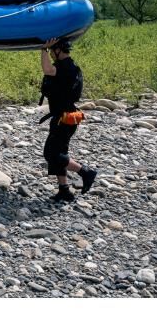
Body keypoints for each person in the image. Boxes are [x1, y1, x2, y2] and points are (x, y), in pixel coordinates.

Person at [39, 37, 97, 202]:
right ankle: (64, 190)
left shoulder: (67, 68)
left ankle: (85, 172)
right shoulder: (68, 66)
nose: (50, 53)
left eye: (52, 50)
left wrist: (43, 49)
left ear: (58, 50)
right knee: (58, 152)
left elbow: (47, 70)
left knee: (52, 153)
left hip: (64, 118)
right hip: (63, 117)